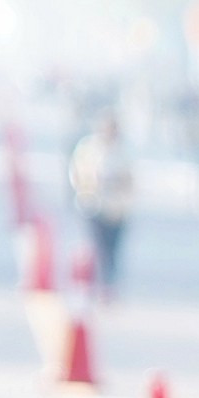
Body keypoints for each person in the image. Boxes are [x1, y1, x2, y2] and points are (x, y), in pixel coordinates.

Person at [68, 110, 136, 296]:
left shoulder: (124, 152)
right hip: (94, 206)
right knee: (95, 248)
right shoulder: (89, 148)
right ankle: (91, 284)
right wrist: (87, 188)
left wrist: (118, 185)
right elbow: (77, 173)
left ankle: (108, 285)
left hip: (117, 210)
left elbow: (131, 181)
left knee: (112, 251)